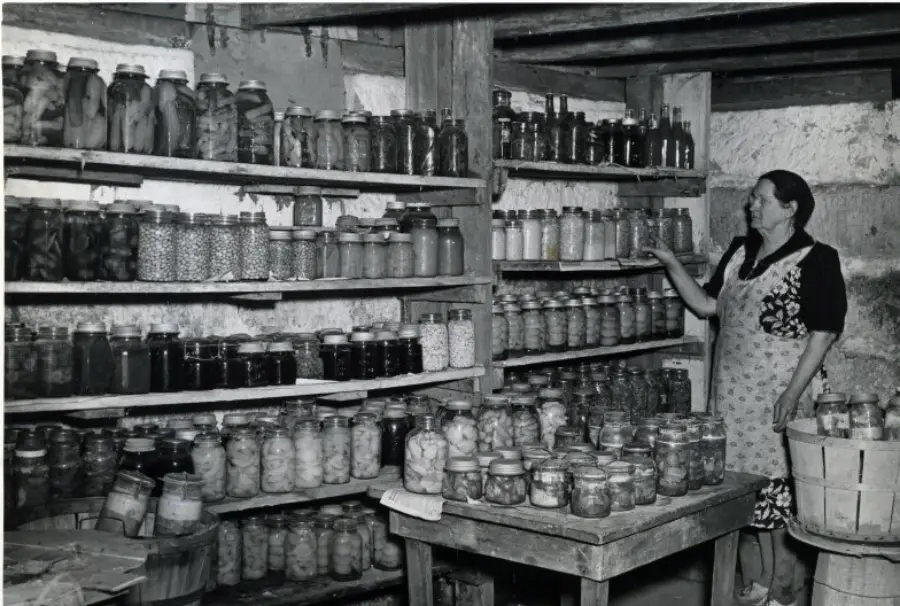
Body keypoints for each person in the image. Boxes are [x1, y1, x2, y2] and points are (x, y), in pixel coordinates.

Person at [645, 170, 847, 606]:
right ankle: (756, 582)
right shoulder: (740, 253)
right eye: (752, 199)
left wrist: (793, 394)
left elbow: (824, 332)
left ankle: (783, 587)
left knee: (778, 494)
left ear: (790, 209)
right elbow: (706, 304)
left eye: (761, 200)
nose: (751, 206)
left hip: (780, 393)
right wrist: (670, 262)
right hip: (733, 394)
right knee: (739, 490)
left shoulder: (817, 259)